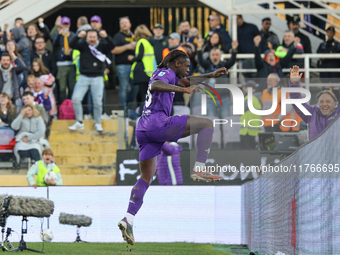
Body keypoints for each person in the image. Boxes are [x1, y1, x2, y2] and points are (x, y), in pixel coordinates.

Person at [118, 50, 226, 245]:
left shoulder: (172, 76)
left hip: (143, 130)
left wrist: (210, 75)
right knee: (207, 124)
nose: (188, 69)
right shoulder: (165, 73)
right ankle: (199, 168)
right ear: (177, 64)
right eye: (186, 66)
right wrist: (183, 91)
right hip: (157, 123)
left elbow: (187, 81)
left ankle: (128, 219)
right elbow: (156, 85)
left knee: (145, 178)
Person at [68, 29, 115, 132]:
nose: (92, 39)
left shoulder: (102, 46)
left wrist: (107, 37)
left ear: (97, 37)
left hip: (97, 78)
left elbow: (112, 46)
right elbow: (71, 44)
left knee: (97, 102)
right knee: (75, 98)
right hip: (83, 77)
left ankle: (97, 123)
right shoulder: (83, 45)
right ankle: (79, 122)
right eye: (90, 37)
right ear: (87, 38)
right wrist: (78, 36)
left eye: (94, 37)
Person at [289, 65, 340, 140]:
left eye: (328, 101)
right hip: (316, 152)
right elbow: (296, 100)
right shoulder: (311, 113)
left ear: (335, 104)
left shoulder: (338, 113)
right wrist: (294, 84)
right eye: (321, 101)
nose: (324, 104)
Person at [197, 41, 238, 118]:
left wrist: (234, 50)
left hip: (224, 99)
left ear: (220, 56)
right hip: (210, 100)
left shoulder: (224, 65)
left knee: (226, 123)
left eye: (217, 55)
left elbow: (232, 61)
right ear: (210, 57)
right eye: (213, 55)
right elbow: (200, 60)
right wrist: (199, 48)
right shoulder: (207, 65)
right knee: (212, 122)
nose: (215, 57)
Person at [128, 25, 156, 114]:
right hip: (148, 72)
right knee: (146, 94)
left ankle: (142, 112)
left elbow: (140, 57)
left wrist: (131, 58)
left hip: (142, 71)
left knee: (142, 94)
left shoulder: (141, 41)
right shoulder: (149, 42)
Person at [112, 17, 136, 110]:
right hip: (122, 66)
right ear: (120, 25)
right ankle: (124, 110)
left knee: (135, 88)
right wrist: (127, 46)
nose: (124, 24)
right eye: (122, 23)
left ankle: (129, 108)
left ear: (130, 24)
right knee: (124, 88)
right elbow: (113, 50)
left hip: (134, 66)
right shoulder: (118, 36)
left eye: (126, 22)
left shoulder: (134, 36)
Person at [53, 16, 76, 103]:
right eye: (63, 24)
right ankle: (63, 106)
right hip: (61, 64)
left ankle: (72, 106)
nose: (65, 26)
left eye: (67, 24)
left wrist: (72, 50)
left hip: (71, 63)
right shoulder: (57, 35)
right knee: (62, 88)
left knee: (72, 86)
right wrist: (59, 34)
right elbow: (55, 44)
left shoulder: (73, 35)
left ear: (69, 25)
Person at [239, 81, 262, 149]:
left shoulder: (251, 98)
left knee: (247, 149)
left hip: (248, 130)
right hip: (252, 128)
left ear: (253, 90)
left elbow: (241, 109)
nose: (245, 89)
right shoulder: (255, 98)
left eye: (247, 88)